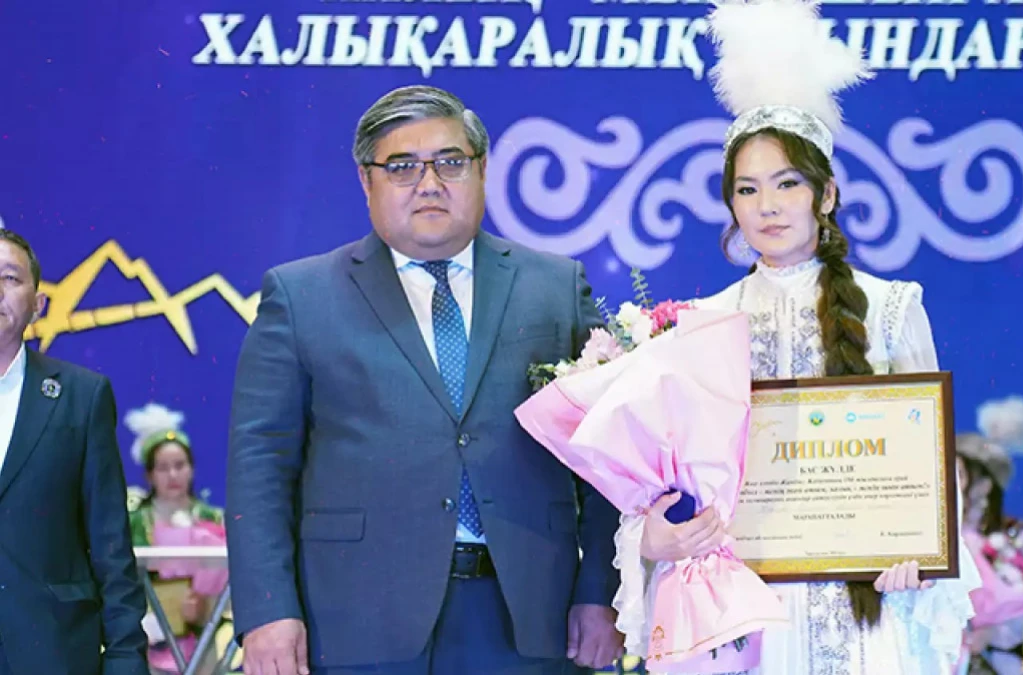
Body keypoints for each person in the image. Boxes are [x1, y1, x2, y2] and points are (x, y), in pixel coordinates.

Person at [609, 2, 982, 673]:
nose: (769, 205)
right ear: (730, 203)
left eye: (788, 183)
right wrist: (652, 537)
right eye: (748, 189)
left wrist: (918, 552)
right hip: (743, 610)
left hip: (868, 611)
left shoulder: (890, 308)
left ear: (826, 194)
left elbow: (926, 464)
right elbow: (664, 480)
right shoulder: (702, 322)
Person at [226, 85, 623, 675]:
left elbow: (611, 453)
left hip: (531, 619)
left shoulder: (555, 287)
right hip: (358, 621)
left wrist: (601, 591)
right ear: (366, 181)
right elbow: (260, 466)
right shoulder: (301, 296)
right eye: (402, 166)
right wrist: (267, 611)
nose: (429, 183)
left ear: (482, 170)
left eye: (450, 162)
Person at [0, 228, 150, 675]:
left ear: (38, 303)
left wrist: (125, 657)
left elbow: (110, 543)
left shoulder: (81, 396)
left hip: (50, 651)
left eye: (10, 277)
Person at [125, 403, 228, 675]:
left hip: (202, 640)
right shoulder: (134, 522)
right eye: (163, 467)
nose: (173, 475)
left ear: (191, 469)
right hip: (145, 642)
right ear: (149, 474)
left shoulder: (213, 519)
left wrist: (203, 609)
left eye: (180, 465)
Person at [955, 396, 1023, 675]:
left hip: (991, 660)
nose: (949, 482)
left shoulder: (1011, 540)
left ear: (984, 485)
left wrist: (987, 631)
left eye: (959, 474)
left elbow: (1021, 604)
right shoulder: (937, 537)